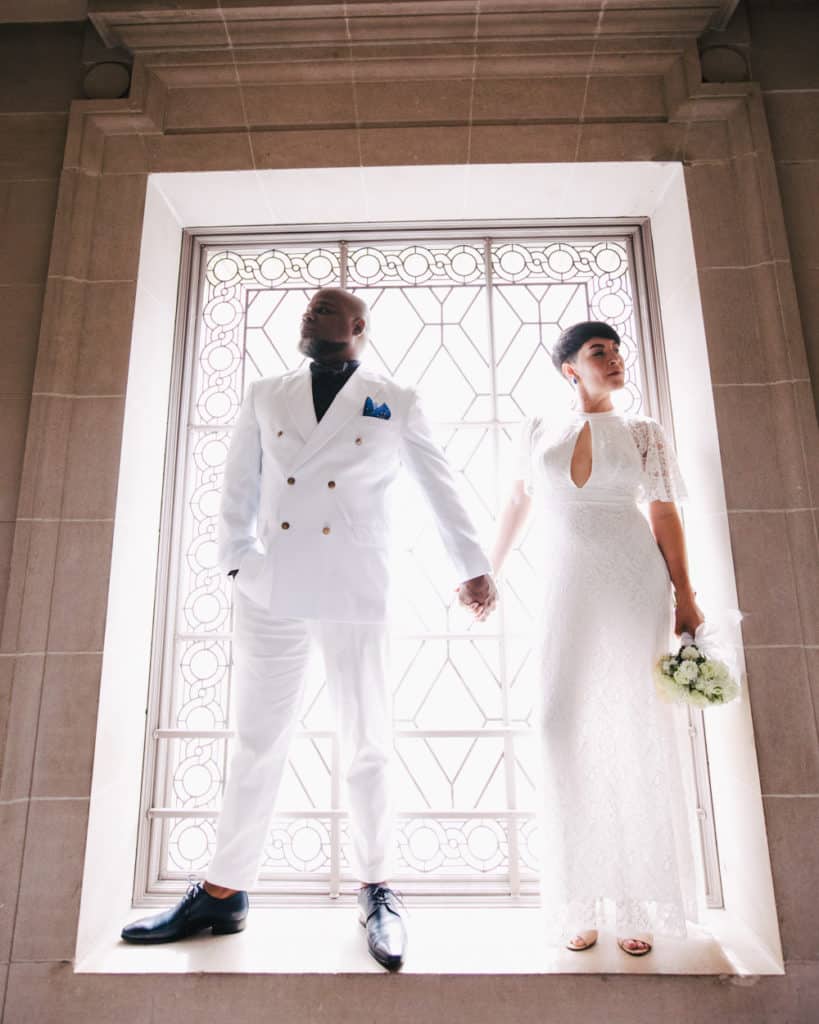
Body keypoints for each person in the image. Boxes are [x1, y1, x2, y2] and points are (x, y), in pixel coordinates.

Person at [121, 287, 497, 970]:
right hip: (274, 588)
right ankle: (224, 889)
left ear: (356, 326)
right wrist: (238, 561)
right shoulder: (267, 391)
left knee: (368, 742)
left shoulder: (397, 397)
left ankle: (378, 886)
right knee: (257, 740)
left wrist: (473, 565)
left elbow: (437, 482)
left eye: (323, 310)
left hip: (357, 586)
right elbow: (238, 480)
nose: (307, 316)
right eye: (305, 310)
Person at [491, 321, 703, 957]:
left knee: (634, 721)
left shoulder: (643, 433)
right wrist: (488, 571)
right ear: (570, 370)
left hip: (634, 580)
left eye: (616, 351)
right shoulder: (536, 431)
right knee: (560, 725)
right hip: (564, 585)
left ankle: (637, 902)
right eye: (598, 352)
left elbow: (664, 513)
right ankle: (578, 898)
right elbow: (517, 503)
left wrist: (686, 596)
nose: (614, 360)